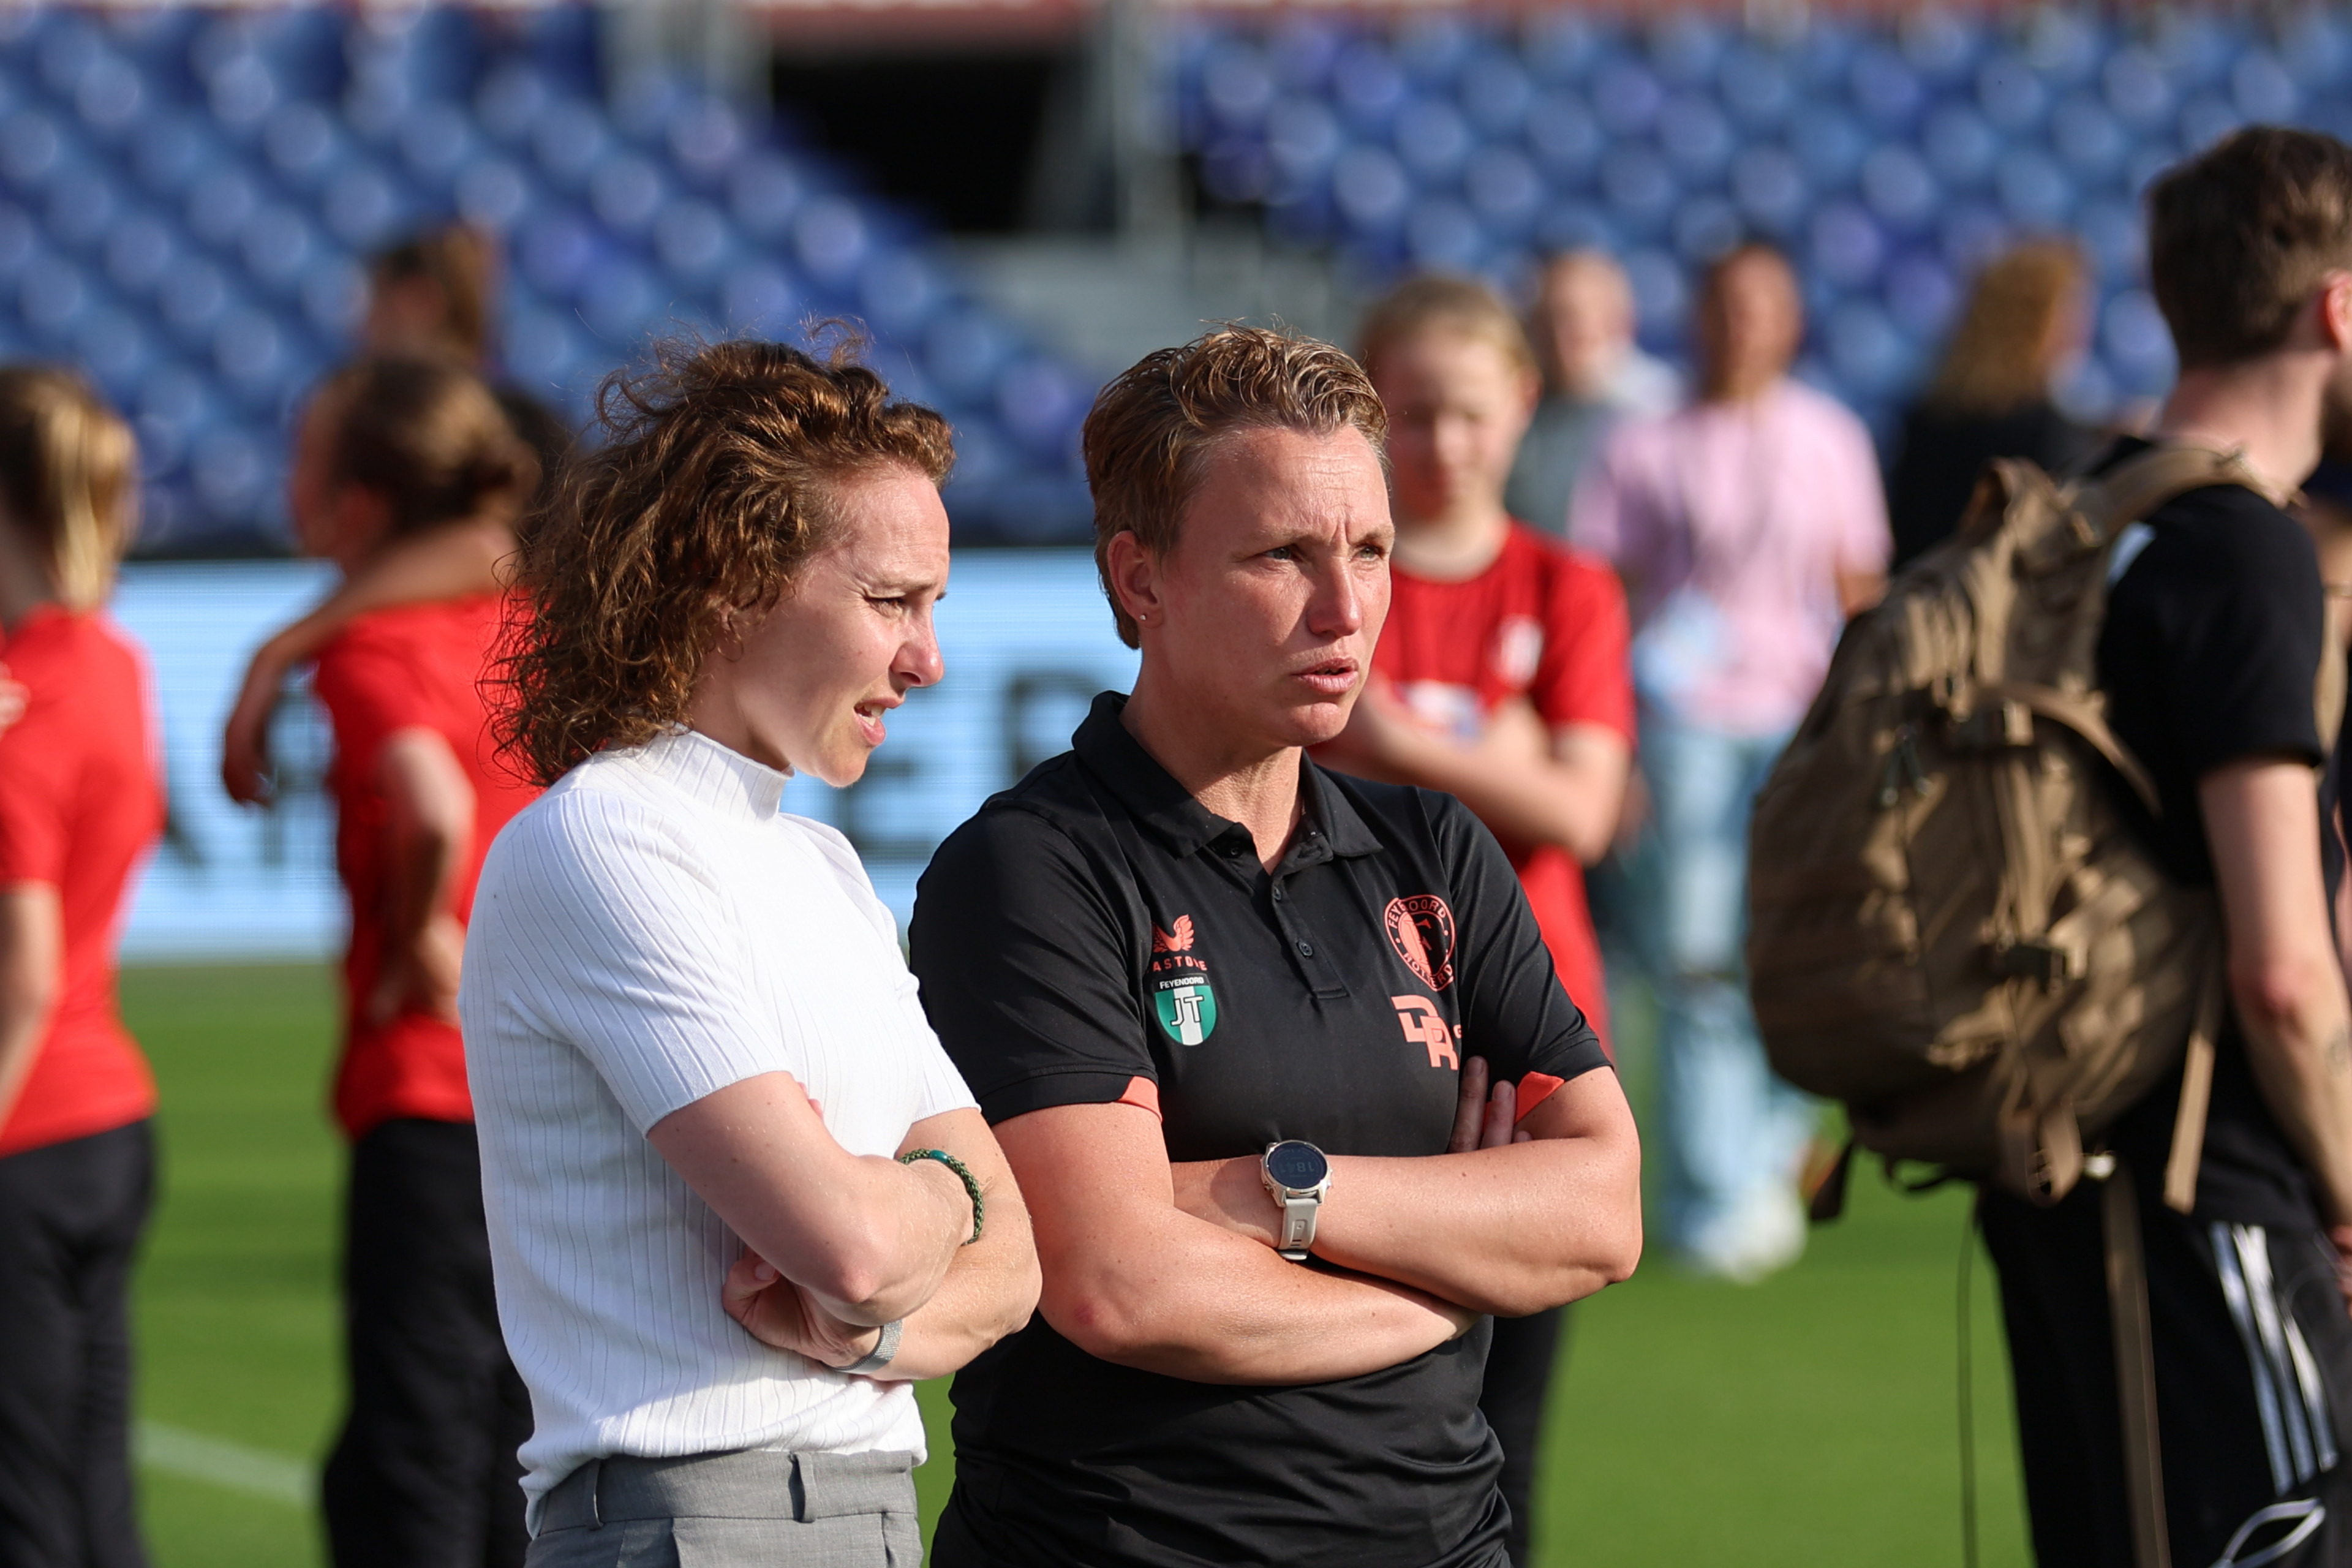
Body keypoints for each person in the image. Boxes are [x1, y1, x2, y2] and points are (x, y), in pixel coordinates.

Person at [907, 325, 1643, 1568]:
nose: (1347, 607)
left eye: (1369, 549)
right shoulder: (1031, 866)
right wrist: (1454, 1273)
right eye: (1283, 556)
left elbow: (1601, 1213)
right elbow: (1119, 1283)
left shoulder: (1438, 848)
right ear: (1140, 580)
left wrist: (1266, 1195)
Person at [458, 338, 1038, 1563]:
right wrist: (941, 1198)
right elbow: (869, 1244)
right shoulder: (604, 835)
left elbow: (1017, 1268)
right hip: (696, 1518)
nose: (926, 657)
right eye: (892, 600)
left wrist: (862, 1326)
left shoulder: (820, 867)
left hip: (859, 1510)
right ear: (731, 578)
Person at [1978, 127, 2352, 1567]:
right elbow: (2280, 967)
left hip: (2057, 1167)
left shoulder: (2084, 508)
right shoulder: (2241, 546)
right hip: (2212, 1184)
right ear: (2332, 308)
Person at [1324, 275, 1634, 1568]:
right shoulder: (1338, 582)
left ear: (1521, 408)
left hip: (1529, 1032)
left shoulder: (1566, 586)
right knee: (1340, 1413)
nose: (1440, 444)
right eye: (1411, 414)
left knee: (1506, 1438)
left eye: (1467, 412)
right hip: (1347, 1019)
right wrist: (1486, 754)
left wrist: (1400, 741)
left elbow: (1584, 807)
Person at [1571, 241, 1890, 1281]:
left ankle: (1767, 1150)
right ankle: (1714, 1187)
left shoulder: (1829, 436)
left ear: (1791, 317)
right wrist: (1613, 745)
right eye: (1726, 305)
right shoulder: (1642, 442)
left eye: (1763, 305)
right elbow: (1604, 601)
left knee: (1797, 948)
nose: (1743, 325)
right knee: (1698, 951)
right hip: (1685, 718)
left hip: (1799, 721)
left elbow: (1859, 594)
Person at [285, 358, 546, 1566]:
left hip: (431, 1080)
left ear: (360, 505)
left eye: (310, 457)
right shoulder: (540, 626)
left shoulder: (371, 645)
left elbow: (430, 804)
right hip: (550, 1076)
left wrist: (409, 933)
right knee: (517, 1426)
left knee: (412, 1445)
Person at [219, 224, 569, 808]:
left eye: (370, 306)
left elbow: (487, 553)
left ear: (415, 303)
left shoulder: (500, 422)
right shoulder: (506, 413)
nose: (359, 331)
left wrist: (281, 648)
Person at [0, 369, 161, 1568]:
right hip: (104, 1114)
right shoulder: (106, 661)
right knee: (91, 1473)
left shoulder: (25, 712)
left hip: (25, 1119)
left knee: (24, 1498)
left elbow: (23, 972)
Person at [1885, 241, 2101, 568]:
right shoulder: (2046, 430)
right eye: (2070, 311)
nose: (2082, 329)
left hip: (1922, 605)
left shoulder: (1927, 416)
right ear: (2034, 320)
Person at [1501, 250, 1678, 540]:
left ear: (1619, 322)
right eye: (1548, 319)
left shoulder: (1660, 410)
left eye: (1576, 318)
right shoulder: (1517, 408)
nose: (1561, 336)